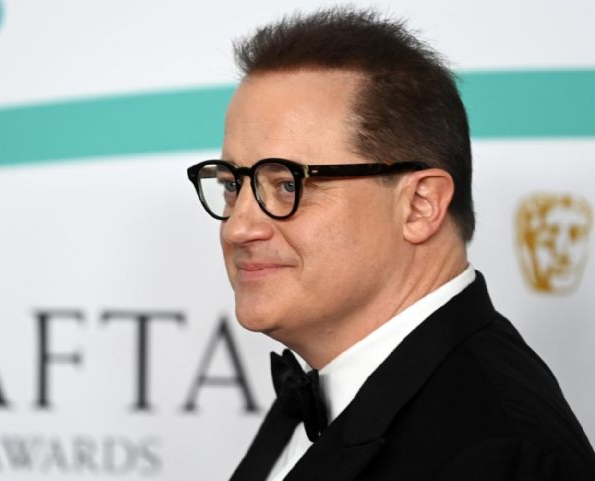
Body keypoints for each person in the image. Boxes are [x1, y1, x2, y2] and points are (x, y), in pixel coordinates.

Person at [186, 7, 595, 481]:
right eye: (232, 185)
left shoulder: (498, 457)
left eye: (288, 185)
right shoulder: (320, 393)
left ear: (420, 205)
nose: (238, 228)